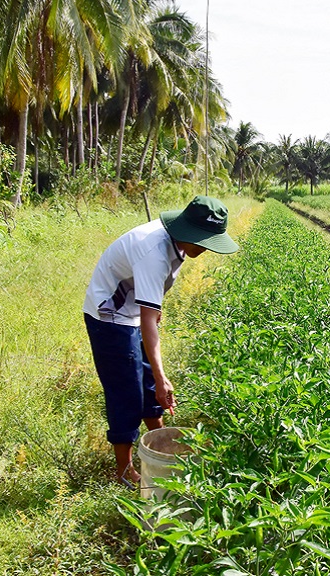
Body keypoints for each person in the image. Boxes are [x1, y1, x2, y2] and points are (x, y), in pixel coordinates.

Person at [82, 195, 239, 486]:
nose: (205, 249)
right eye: (203, 241)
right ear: (188, 232)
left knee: (149, 385)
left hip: (131, 312)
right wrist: (162, 374)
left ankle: (161, 441)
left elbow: (150, 310)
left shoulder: (176, 243)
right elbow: (147, 319)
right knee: (126, 392)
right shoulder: (153, 251)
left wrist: (157, 376)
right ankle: (124, 473)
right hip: (110, 317)